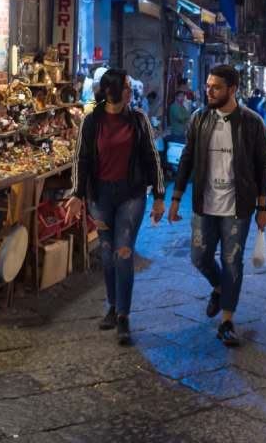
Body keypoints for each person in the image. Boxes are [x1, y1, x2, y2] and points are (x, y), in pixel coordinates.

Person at [167, 64, 266, 346]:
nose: (209, 91)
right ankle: (218, 287)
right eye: (208, 86)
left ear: (232, 89)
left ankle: (227, 320)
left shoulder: (252, 122)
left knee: (232, 261)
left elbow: (263, 166)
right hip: (204, 202)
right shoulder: (200, 119)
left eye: (216, 87)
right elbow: (187, 158)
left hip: (238, 206)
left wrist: (263, 207)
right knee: (199, 256)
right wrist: (175, 198)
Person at [71, 69, 165, 345]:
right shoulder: (91, 121)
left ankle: (123, 316)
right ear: (112, 91)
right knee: (109, 253)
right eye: (125, 86)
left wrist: (159, 195)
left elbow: (152, 157)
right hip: (100, 197)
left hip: (131, 196)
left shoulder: (138, 120)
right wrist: (77, 194)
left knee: (124, 253)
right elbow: (81, 159)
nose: (129, 90)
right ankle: (112, 307)